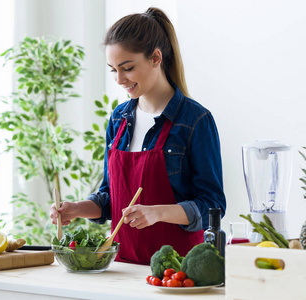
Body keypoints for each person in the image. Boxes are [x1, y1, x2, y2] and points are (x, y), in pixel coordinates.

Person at [50, 7, 226, 265]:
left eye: (128, 68)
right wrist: (77, 209)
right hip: (121, 268)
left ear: (156, 58)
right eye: (113, 70)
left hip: (178, 272)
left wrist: (158, 213)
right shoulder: (119, 119)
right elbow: (110, 198)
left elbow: (213, 206)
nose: (120, 79)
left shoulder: (195, 121)